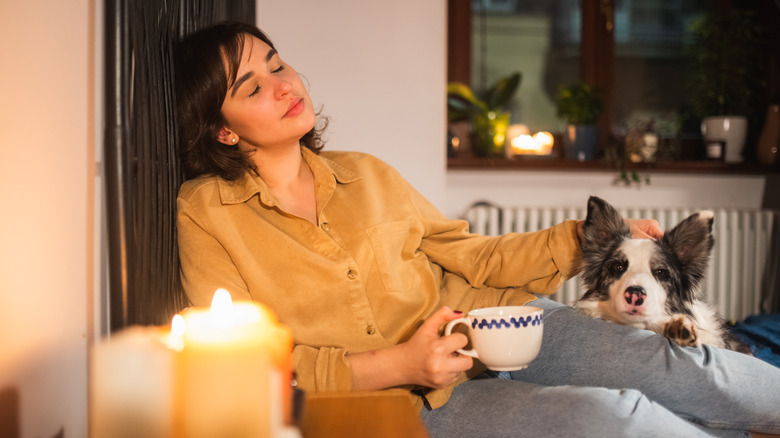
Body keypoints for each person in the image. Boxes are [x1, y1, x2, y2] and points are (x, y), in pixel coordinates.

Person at [173, 21, 780, 437]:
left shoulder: (364, 174)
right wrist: (402, 365)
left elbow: (474, 256)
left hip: (502, 324)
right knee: (615, 419)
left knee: (679, 369)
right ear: (222, 129)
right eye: (252, 85)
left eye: (277, 63)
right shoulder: (206, 212)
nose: (283, 85)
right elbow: (255, 363)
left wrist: (580, 241)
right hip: (414, 403)